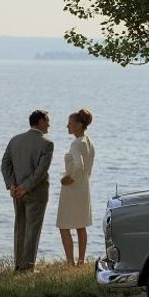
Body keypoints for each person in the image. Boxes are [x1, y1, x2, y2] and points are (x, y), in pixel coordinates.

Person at [1, 109, 54, 272]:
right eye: (47, 121)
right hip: (35, 193)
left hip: (16, 191)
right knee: (33, 229)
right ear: (40, 122)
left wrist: (12, 185)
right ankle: (27, 267)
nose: (49, 125)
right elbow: (41, 171)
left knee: (20, 227)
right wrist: (26, 187)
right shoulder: (47, 143)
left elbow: (5, 164)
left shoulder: (15, 140)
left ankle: (18, 264)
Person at [56, 109, 96, 266]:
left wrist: (69, 178)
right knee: (81, 225)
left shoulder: (76, 143)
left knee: (63, 225)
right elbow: (88, 168)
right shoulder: (89, 142)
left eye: (70, 124)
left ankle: (70, 262)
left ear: (79, 125)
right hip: (84, 186)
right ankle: (81, 260)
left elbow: (79, 166)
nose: (67, 126)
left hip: (73, 188)